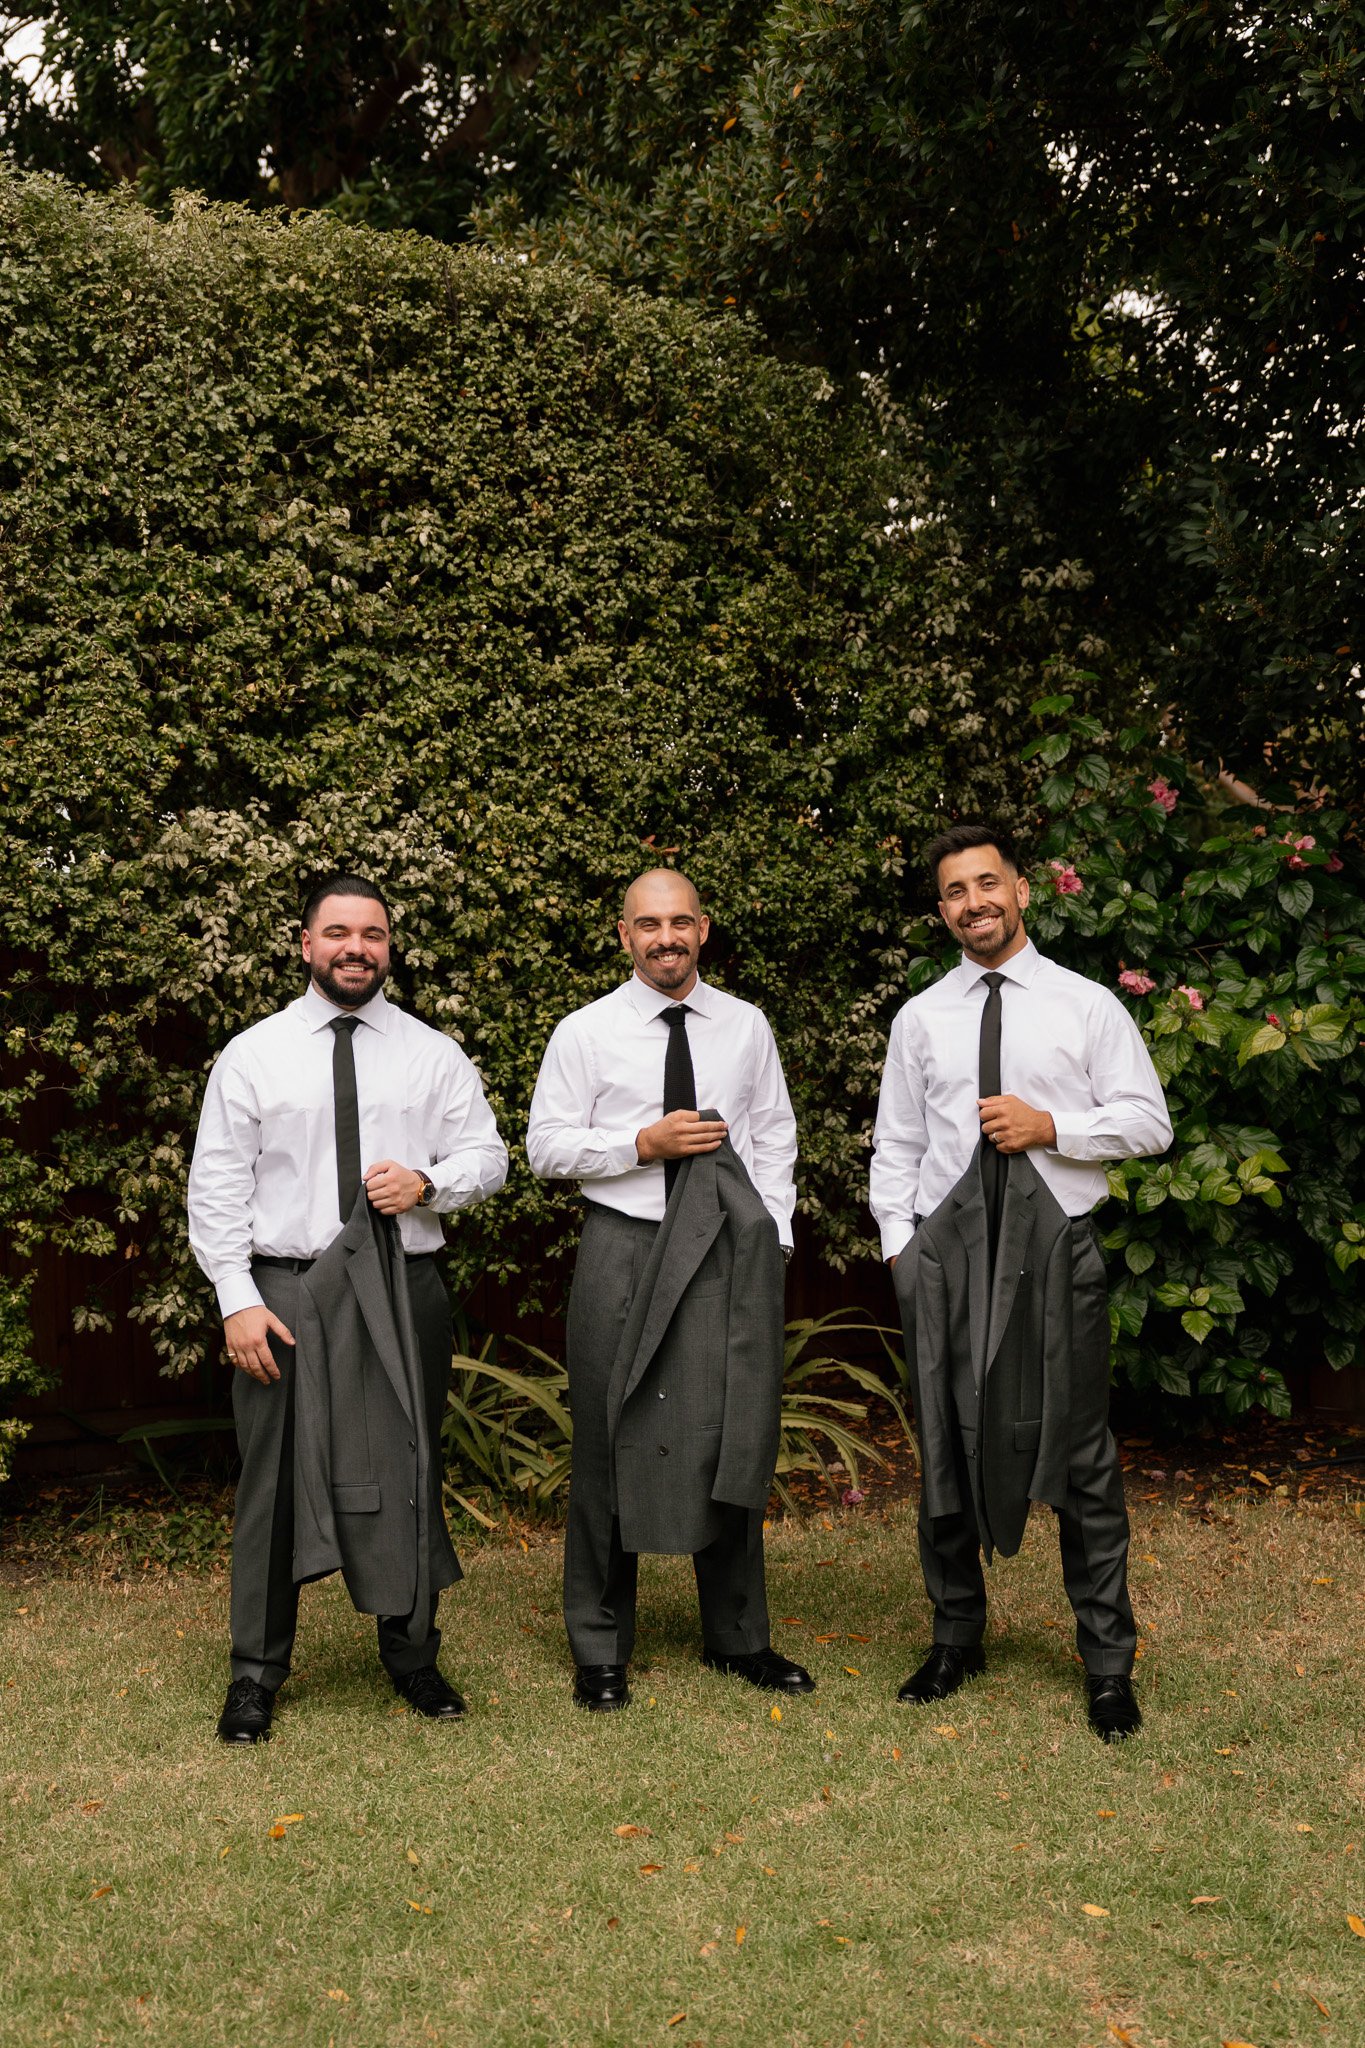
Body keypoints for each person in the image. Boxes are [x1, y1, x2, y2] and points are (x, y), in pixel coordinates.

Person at [187, 873, 508, 1743]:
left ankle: (412, 1658)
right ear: (305, 944)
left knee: (407, 1470)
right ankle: (255, 1675)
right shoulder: (253, 1054)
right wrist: (236, 1300)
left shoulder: (430, 1052)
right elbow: (216, 1185)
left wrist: (429, 1180)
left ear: (388, 947)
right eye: (337, 933)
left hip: (402, 1289)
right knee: (272, 1484)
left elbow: (488, 1154)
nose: (354, 948)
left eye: (371, 934)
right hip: (285, 1291)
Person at [870, 823, 1172, 1742]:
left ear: (1022, 891)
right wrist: (899, 1252)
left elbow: (1147, 1124)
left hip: (1056, 1256)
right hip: (947, 1263)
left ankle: (1107, 1664)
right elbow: (898, 1146)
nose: (975, 903)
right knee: (946, 1450)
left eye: (987, 883)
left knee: (1080, 1458)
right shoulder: (922, 1017)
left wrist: (1053, 1127)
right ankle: (956, 1636)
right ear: (942, 911)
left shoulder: (1085, 1008)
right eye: (956, 892)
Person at [525, 868, 814, 1711]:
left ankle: (737, 1637)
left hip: (725, 1251)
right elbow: (546, 1147)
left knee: (730, 1435)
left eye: (680, 922)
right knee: (606, 1443)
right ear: (623, 935)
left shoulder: (745, 1026)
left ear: (704, 928)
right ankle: (601, 1647)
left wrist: (773, 1237)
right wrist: (638, 1145)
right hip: (625, 1246)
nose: (666, 938)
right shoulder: (584, 1032)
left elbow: (772, 1135)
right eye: (648, 924)